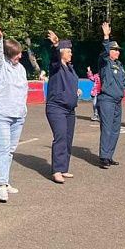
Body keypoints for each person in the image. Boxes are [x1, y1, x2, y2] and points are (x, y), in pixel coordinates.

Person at [0, 24, 28, 203]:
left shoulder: (21, 69)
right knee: (3, 148)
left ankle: (3, 180)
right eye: (16, 53)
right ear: (8, 54)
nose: (20, 56)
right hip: (0, 113)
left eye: (20, 53)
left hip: (18, 114)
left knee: (10, 150)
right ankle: (2, 184)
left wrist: (23, 111)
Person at [45, 29, 81, 183]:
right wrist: (55, 45)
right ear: (62, 52)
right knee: (60, 137)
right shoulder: (56, 66)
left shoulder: (70, 68)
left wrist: (75, 91)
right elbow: (54, 58)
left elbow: (69, 84)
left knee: (68, 138)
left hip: (70, 109)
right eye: (68, 51)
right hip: (56, 108)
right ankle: (57, 170)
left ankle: (64, 167)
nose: (71, 53)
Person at [96, 22, 124, 169]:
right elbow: (104, 52)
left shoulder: (119, 65)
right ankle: (103, 157)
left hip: (118, 100)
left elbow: (123, 81)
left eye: (118, 50)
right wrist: (106, 36)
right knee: (106, 128)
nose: (117, 52)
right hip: (106, 99)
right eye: (115, 49)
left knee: (115, 129)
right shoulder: (104, 61)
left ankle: (109, 155)